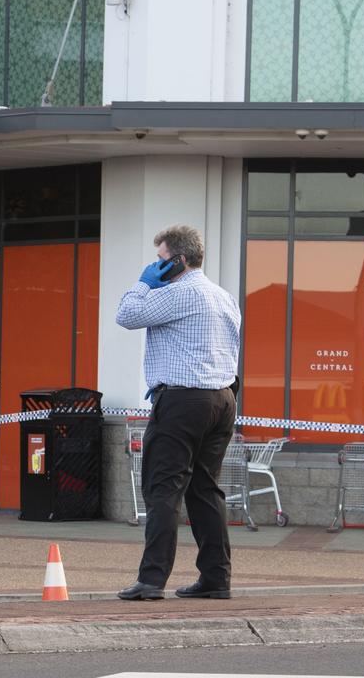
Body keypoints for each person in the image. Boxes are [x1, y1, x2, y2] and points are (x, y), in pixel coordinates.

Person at [114, 224, 241, 601]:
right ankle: (216, 578)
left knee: (162, 489)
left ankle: (151, 580)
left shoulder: (179, 293)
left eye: (161, 260)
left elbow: (127, 314)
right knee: (205, 491)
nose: (155, 265)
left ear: (179, 261)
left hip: (183, 401)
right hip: (222, 399)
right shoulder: (223, 296)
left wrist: (143, 283)